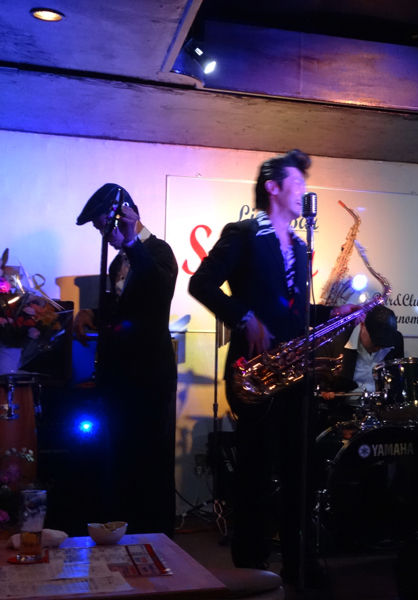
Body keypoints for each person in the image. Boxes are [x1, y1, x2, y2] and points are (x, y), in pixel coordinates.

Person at [188, 149, 351, 585]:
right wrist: (244, 317)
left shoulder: (299, 245)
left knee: (300, 469)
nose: (303, 192)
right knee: (255, 472)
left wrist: (331, 315)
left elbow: (291, 313)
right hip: (254, 372)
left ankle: (298, 562)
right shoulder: (242, 234)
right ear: (272, 188)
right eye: (296, 184)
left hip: (294, 371)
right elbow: (201, 283)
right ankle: (251, 568)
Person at [73, 183, 178, 536]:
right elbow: (123, 310)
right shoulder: (118, 262)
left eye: (105, 227)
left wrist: (132, 241)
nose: (105, 236)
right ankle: (124, 531)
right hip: (120, 377)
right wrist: (90, 312)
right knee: (121, 458)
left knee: (150, 459)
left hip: (149, 377)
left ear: (124, 217)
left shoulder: (159, 251)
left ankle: (156, 537)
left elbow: (156, 290)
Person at [318, 305, 404, 421]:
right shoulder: (337, 342)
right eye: (375, 342)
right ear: (362, 325)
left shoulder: (396, 339)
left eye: (383, 344)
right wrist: (327, 391)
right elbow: (323, 384)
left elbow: (397, 380)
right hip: (345, 412)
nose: (378, 348)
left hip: (382, 411)